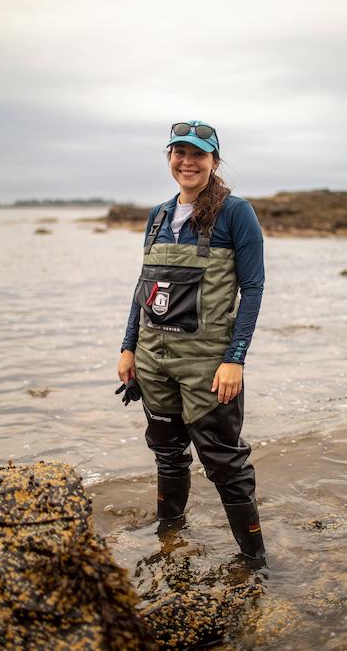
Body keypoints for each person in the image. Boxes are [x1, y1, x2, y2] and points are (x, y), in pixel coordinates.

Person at [117, 120, 265, 559]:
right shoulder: (158, 215)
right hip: (153, 359)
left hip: (208, 365)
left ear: (213, 161)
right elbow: (144, 285)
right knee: (166, 454)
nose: (187, 162)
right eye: (179, 153)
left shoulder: (236, 212)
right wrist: (128, 347)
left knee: (225, 464)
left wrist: (235, 358)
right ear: (170, 159)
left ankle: (254, 559)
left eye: (198, 154)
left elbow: (253, 288)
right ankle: (169, 534)